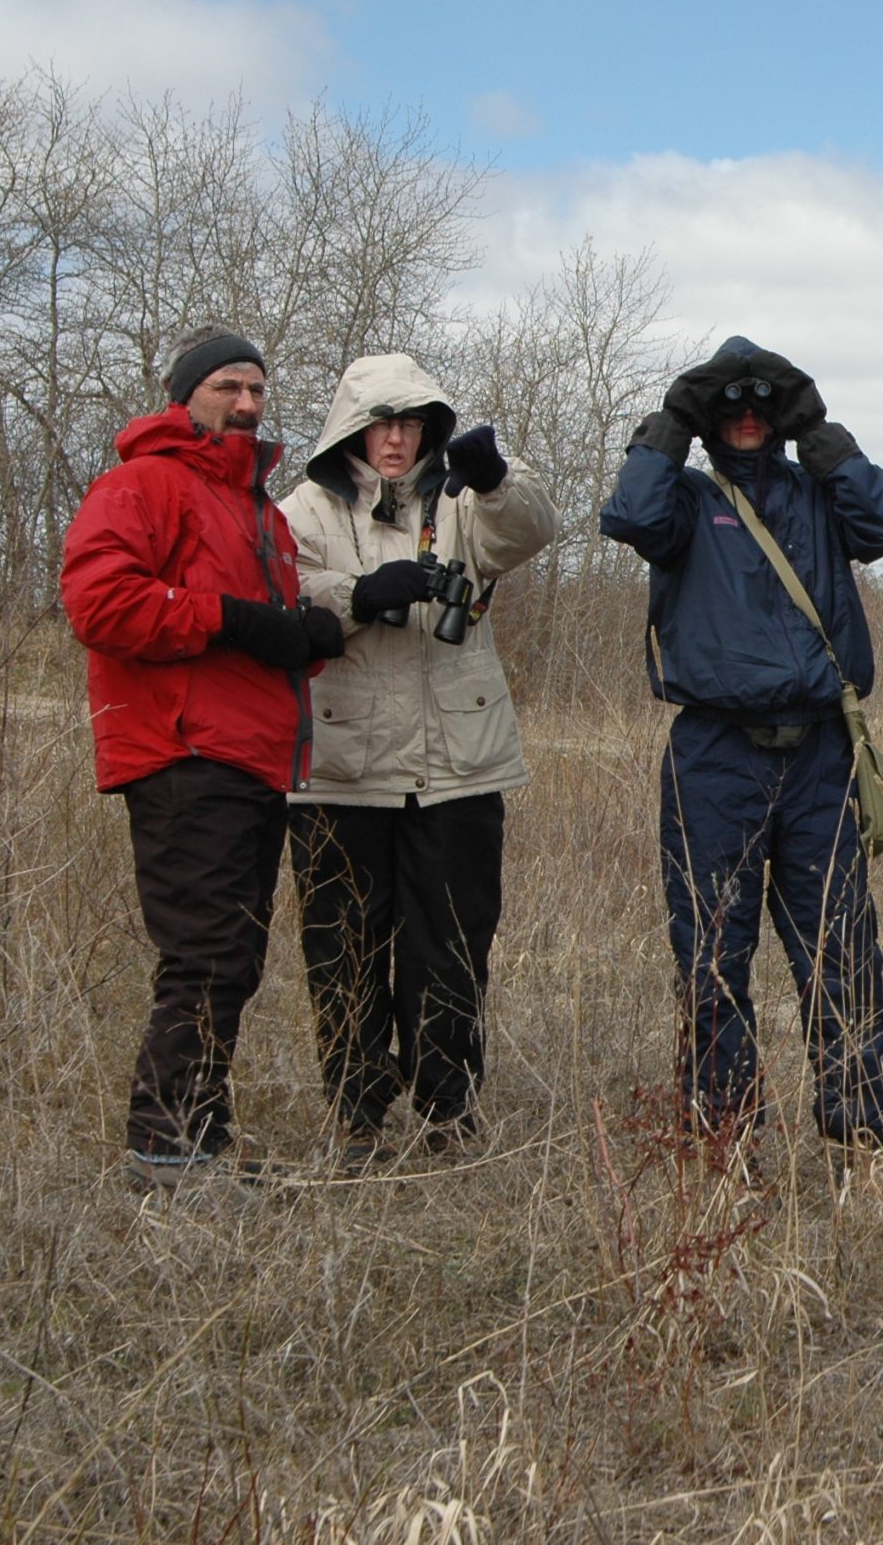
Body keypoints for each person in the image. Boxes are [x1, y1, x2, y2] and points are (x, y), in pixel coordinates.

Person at [599, 336, 883, 1160]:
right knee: (710, 952)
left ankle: (861, 1140)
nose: (745, 418)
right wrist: (671, 420)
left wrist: (820, 430)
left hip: (818, 754)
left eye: (760, 406)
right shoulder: (684, 503)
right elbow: (628, 514)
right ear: (709, 421)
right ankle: (726, 1138)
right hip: (714, 754)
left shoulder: (818, 496)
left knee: (840, 948)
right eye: (728, 407)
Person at [60, 324, 345, 1191]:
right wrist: (233, 618)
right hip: (184, 754)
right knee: (205, 956)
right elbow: (103, 605)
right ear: (186, 395)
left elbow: (259, 640)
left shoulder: (258, 510)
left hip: (255, 758)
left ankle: (198, 1140)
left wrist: (306, 638)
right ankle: (163, 1148)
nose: (249, 405)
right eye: (229, 387)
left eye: (259, 390)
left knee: (233, 958)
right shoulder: (140, 484)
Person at [279, 354, 558, 1162]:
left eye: (409, 423)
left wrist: (496, 477)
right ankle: (359, 1118)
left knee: (454, 946)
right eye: (379, 424)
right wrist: (359, 594)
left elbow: (532, 528)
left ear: (429, 426)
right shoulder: (304, 510)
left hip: (460, 768)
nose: (395, 439)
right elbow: (280, 586)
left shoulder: (465, 497)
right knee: (343, 947)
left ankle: (447, 1115)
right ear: (351, 430)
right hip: (340, 769)